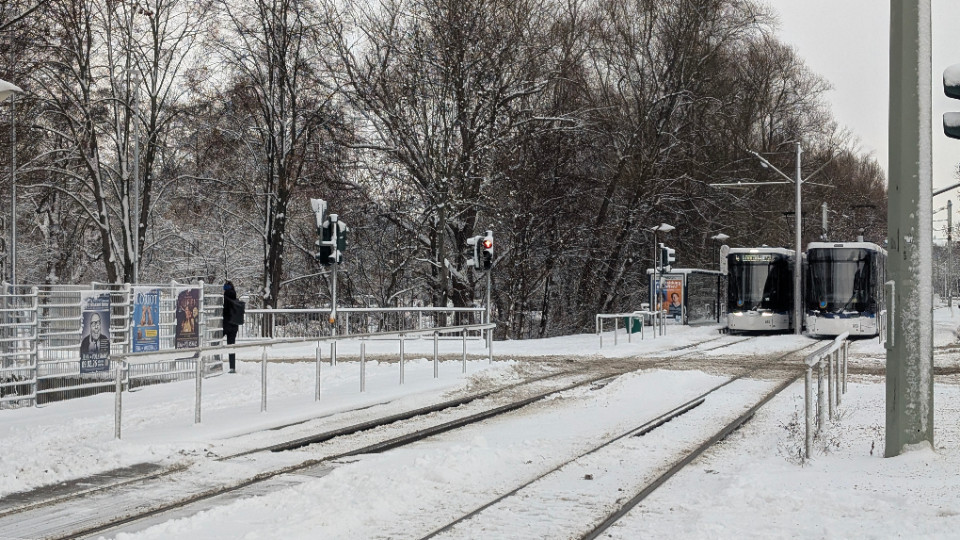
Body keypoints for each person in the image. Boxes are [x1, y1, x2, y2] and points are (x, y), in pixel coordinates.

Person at [222, 281, 239, 373]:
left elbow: (223, 311)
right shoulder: (235, 299)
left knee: (215, 342)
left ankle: (215, 363)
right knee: (231, 346)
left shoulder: (225, 298)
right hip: (234, 326)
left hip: (225, 325)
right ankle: (232, 367)